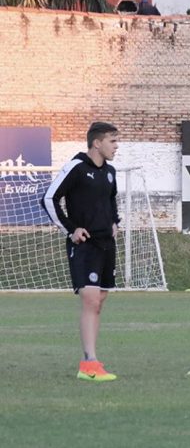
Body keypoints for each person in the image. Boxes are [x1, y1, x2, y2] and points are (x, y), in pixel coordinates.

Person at [41, 122, 120, 382]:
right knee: (90, 300)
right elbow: (49, 198)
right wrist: (71, 229)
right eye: (112, 141)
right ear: (97, 143)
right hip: (85, 245)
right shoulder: (76, 167)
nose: (116, 146)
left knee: (100, 300)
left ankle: (92, 360)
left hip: (106, 244)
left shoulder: (110, 172)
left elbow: (111, 199)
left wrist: (115, 221)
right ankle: (89, 362)